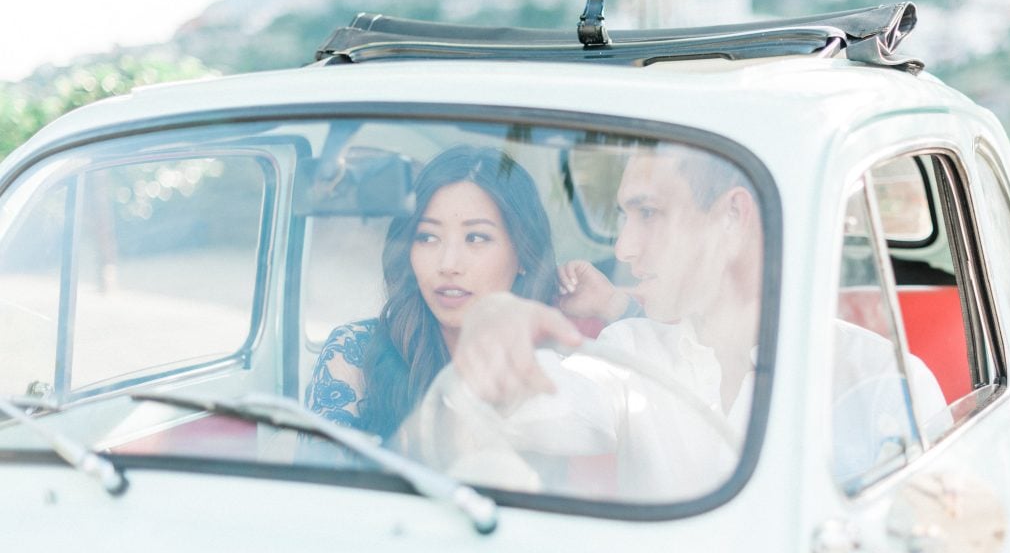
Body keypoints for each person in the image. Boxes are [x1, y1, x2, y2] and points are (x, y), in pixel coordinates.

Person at [427, 141, 949, 501]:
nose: (625, 248)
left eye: (649, 214)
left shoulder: (882, 379)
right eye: (624, 217)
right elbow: (549, 405)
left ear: (732, 217)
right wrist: (497, 346)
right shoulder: (629, 350)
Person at [305, 145, 557, 439]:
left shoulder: (554, 365)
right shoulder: (355, 353)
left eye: (475, 238)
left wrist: (616, 308)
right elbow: (320, 481)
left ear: (524, 255)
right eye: (427, 237)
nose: (448, 264)